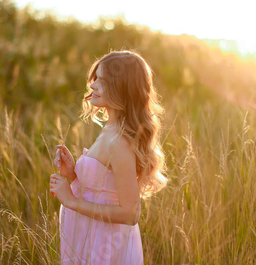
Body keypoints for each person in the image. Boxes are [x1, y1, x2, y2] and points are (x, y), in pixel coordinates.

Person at [50, 49, 168, 264]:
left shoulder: (120, 143)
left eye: (102, 81)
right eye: (95, 79)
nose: (92, 85)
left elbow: (130, 213)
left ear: (122, 89)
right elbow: (105, 189)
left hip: (104, 244)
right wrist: (74, 175)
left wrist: (71, 201)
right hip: (90, 235)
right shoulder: (110, 129)